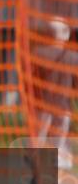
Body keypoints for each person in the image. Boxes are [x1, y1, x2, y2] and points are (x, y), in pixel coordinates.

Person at [31, 18, 76, 169]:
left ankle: (33, 179)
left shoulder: (37, 53)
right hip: (62, 108)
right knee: (57, 146)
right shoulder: (73, 58)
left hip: (41, 105)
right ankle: (53, 183)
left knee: (37, 143)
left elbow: (31, 79)